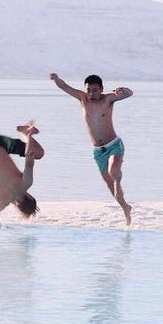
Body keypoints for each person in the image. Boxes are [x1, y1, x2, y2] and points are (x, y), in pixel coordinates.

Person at [50, 73, 134, 225]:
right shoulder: (82, 99)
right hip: (98, 151)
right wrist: (56, 79)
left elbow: (129, 94)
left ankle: (118, 184)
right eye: (88, 90)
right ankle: (125, 208)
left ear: (101, 89)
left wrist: (124, 90)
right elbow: (64, 87)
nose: (91, 94)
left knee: (113, 171)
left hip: (114, 145)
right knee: (110, 186)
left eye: (95, 90)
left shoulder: (108, 99)